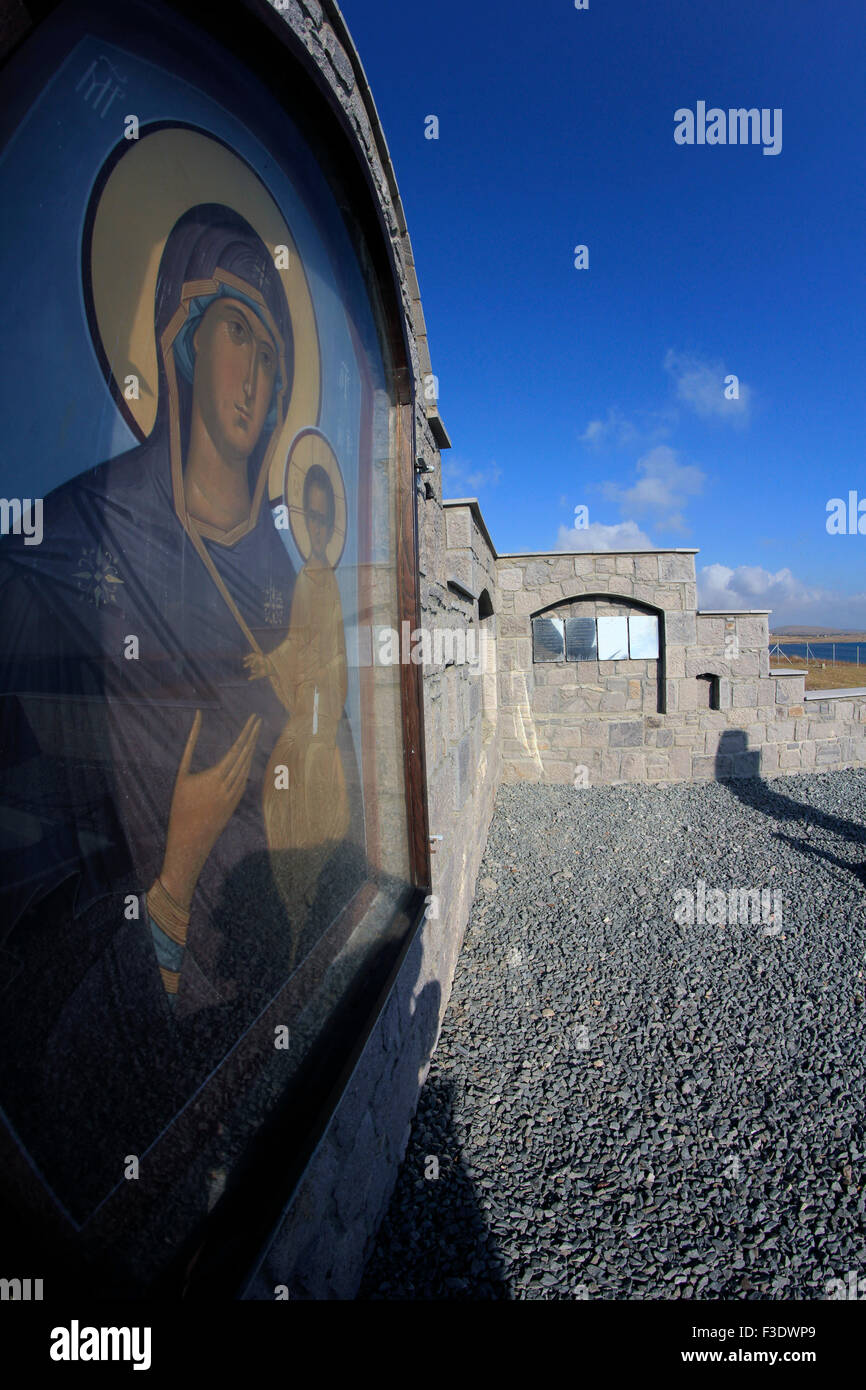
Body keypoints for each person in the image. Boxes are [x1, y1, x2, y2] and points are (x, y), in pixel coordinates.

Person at [0, 203, 361, 1225]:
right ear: (181, 336)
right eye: (240, 328)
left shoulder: (290, 575)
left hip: (268, 949)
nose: (263, 370)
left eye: (277, 347)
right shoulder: (75, 537)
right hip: (137, 997)